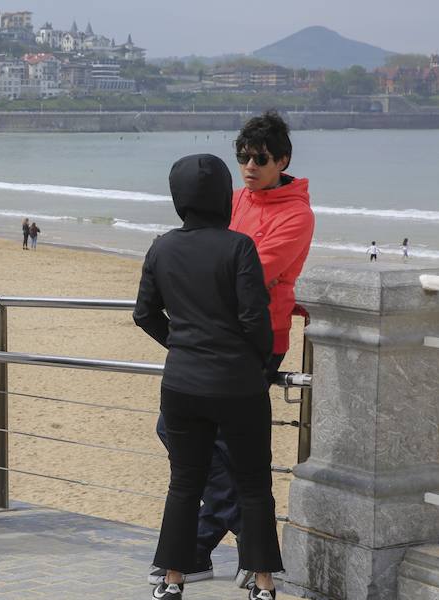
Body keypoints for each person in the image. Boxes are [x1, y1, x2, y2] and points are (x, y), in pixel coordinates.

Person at [149, 111, 315, 592]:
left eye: (260, 158)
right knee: (186, 441)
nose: (248, 166)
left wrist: (191, 286)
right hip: (204, 341)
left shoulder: (297, 213)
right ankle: (231, 541)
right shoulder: (236, 199)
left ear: (282, 160)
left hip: (258, 341)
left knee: (229, 457)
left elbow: (252, 271)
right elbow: (216, 257)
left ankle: (202, 551)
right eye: (242, 156)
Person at [135, 154, 283, 600]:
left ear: (178, 198)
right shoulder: (239, 246)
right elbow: (255, 319)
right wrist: (255, 360)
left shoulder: (161, 247)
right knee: (255, 483)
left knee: (184, 483)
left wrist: (180, 345)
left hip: (182, 383)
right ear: (223, 196)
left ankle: (172, 579)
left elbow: (144, 314)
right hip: (238, 383)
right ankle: (262, 584)